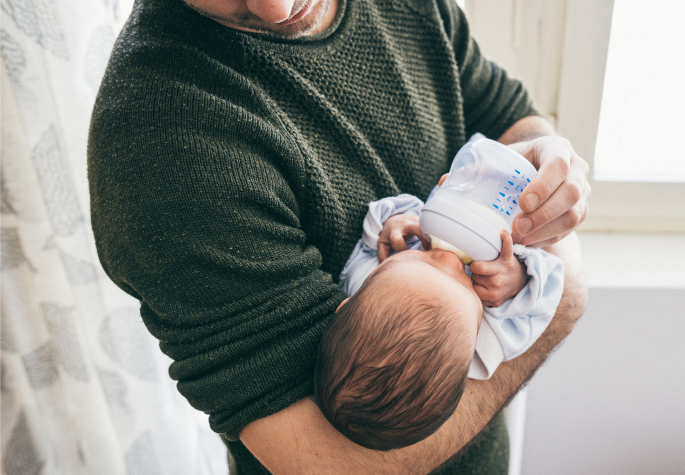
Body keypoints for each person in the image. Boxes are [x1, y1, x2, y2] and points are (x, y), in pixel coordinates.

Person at [87, 0, 591, 472]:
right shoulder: (162, 148)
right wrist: (559, 292)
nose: (277, 9)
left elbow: (507, 117)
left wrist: (546, 167)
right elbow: (334, 463)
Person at [313, 192, 564, 451]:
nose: (449, 259)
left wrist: (395, 223)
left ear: (346, 306)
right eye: (463, 284)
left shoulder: (364, 283)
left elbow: (370, 235)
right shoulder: (487, 344)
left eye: (420, 261)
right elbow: (548, 293)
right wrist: (517, 279)